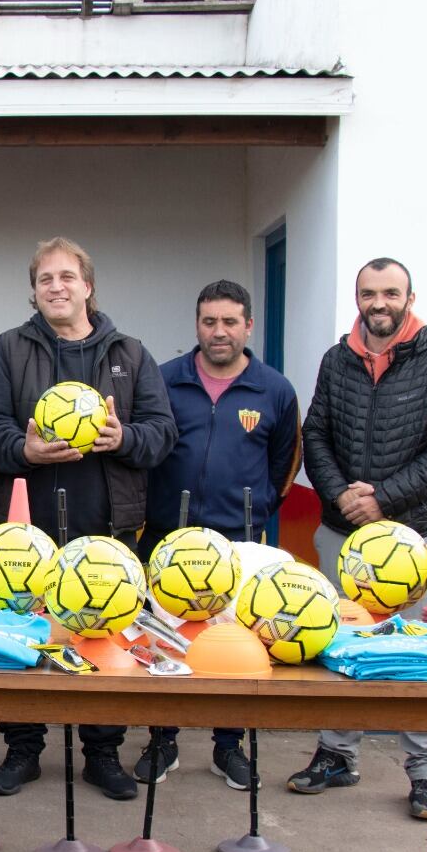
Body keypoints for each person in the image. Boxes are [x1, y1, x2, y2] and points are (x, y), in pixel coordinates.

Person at [0, 237, 177, 800]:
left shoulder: (129, 353)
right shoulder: (10, 350)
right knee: (25, 632)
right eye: (44, 279)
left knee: (103, 633)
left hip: (105, 526)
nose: (56, 287)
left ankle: (103, 752)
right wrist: (24, 450)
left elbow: (162, 432)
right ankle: (22, 748)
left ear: (88, 285)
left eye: (66, 277)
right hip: (25, 527)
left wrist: (123, 437)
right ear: (34, 292)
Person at [291, 257, 427, 819]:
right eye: (369, 293)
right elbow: (314, 432)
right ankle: (336, 755)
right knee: (338, 644)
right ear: (357, 298)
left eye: (391, 293)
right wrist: (341, 494)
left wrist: (383, 498)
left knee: (412, 654)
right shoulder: (337, 359)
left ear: (409, 299)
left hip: (413, 534)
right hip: (341, 531)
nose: (380, 303)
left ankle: (422, 774)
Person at [136, 280, 301, 791]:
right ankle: (162, 739)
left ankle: (228, 746)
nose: (219, 332)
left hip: (240, 545)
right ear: (197, 325)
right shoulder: (164, 380)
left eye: (230, 322)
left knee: (238, 648)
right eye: (209, 322)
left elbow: (283, 464)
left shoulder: (274, 390)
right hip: (168, 539)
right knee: (162, 643)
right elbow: (148, 450)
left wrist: (257, 509)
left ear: (248, 326)